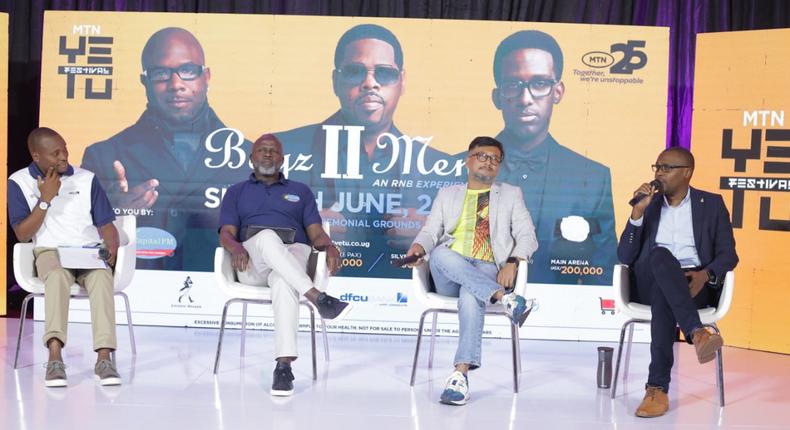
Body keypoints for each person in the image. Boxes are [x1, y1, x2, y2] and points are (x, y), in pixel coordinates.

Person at [275, 23, 459, 279]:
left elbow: (465, 239)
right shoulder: (284, 151)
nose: (370, 83)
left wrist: (431, 235)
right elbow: (251, 224)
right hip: (312, 281)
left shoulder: (436, 165)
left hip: (403, 294)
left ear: (402, 81)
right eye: (354, 71)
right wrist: (305, 227)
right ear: (335, 81)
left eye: (384, 73)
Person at [82, 27, 251, 271]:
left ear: (206, 76)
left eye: (188, 70)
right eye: (161, 73)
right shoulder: (103, 156)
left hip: (219, 285)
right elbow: (80, 231)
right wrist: (113, 212)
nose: (176, 84)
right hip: (138, 286)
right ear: (145, 81)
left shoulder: (248, 157)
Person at [405, 136, 538, 405]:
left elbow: (528, 236)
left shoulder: (511, 194)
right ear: (468, 160)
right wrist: (418, 246)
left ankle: (460, 375)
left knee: (471, 294)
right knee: (441, 252)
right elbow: (431, 231)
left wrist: (513, 260)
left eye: (494, 159)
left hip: (488, 267)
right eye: (482, 156)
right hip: (449, 270)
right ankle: (507, 300)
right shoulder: (448, 194)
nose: (488, 162)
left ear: (499, 166)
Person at [218, 133, 352, 396]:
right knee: (267, 237)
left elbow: (315, 233)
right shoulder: (236, 192)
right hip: (252, 262)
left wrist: (331, 246)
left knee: (283, 280)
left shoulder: (300, 191)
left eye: (273, 151)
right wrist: (235, 248)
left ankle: (283, 367)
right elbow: (226, 233)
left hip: (293, 253)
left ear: (282, 159)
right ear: (251, 157)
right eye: (261, 150)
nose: (267, 154)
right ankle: (318, 298)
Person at [486, 30, 617, 285]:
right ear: (497, 96)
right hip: (479, 297)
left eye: (539, 84)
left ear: (558, 92)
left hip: (559, 309)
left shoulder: (592, 178)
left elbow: (603, 267)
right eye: (513, 85)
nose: (526, 99)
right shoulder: (460, 168)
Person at [617, 147, 738, 418]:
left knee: (665, 295)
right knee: (660, 257)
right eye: (657, 167)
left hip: (695, 282)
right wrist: (636, 214)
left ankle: (657, 389)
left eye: (666, 168)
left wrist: (705, 275)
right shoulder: (648, 206)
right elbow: (624, 255)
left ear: (687, 173)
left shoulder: (712, 204)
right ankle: (696, 332)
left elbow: (729, 255)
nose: (659, 173)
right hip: (651, 278)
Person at [8, 127, 123, 387]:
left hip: (87, 250)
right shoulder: (18, 182)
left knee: (102, 277)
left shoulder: (86, 179)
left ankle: (104, 358)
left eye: (65, 149)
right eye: (55, 153)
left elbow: (106, 225)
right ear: (36, 156)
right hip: (49, 251)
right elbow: (23, 234)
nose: (64, 157)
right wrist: (45, 199)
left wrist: (111, 247)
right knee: (57, 277)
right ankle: (55, 358)